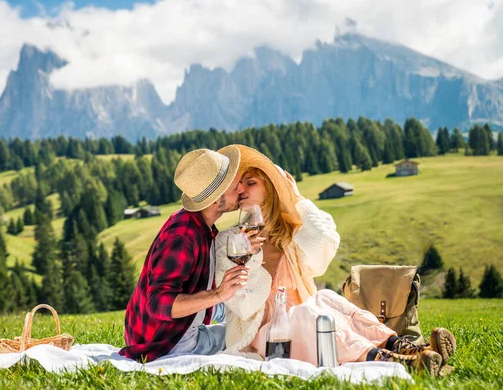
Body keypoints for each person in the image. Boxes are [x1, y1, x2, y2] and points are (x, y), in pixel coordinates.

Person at [215, 145, 456, 377]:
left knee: (326, 298)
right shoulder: (229, 241)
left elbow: (325, 244)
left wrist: (297, 199)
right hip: (264, 336)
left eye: (251, 183)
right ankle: (388, 360)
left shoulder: (289, 234)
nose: (242, 190)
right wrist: (252, 256)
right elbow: (242, 304)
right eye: (239, 185)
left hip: (309, 322)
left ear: (271, 188)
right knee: (308, 312)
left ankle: (408, 348)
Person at [120, 146, 258, 362]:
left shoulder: (199, 225)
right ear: (215, 199)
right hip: (166, 344)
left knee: (251, 324)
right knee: (256, 336)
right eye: (234, 186)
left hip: (173, 332)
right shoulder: (182, 237)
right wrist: (218, 295)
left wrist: (244, 243)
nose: (241, 189)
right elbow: (158, 303)